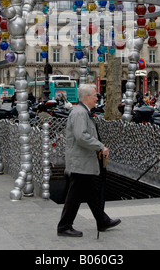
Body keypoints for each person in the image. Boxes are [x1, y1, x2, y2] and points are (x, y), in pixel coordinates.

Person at [57, 84, 121, 237]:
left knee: (91, 192)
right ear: (86, 97)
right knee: (75, 195)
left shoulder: (83, 112)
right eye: (94, 95)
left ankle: (102, 220)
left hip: (84, 161)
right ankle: (64, 226)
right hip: (81, 162)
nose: (97, 98)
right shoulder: (80, 113)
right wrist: (100, 147)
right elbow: (81, 136)